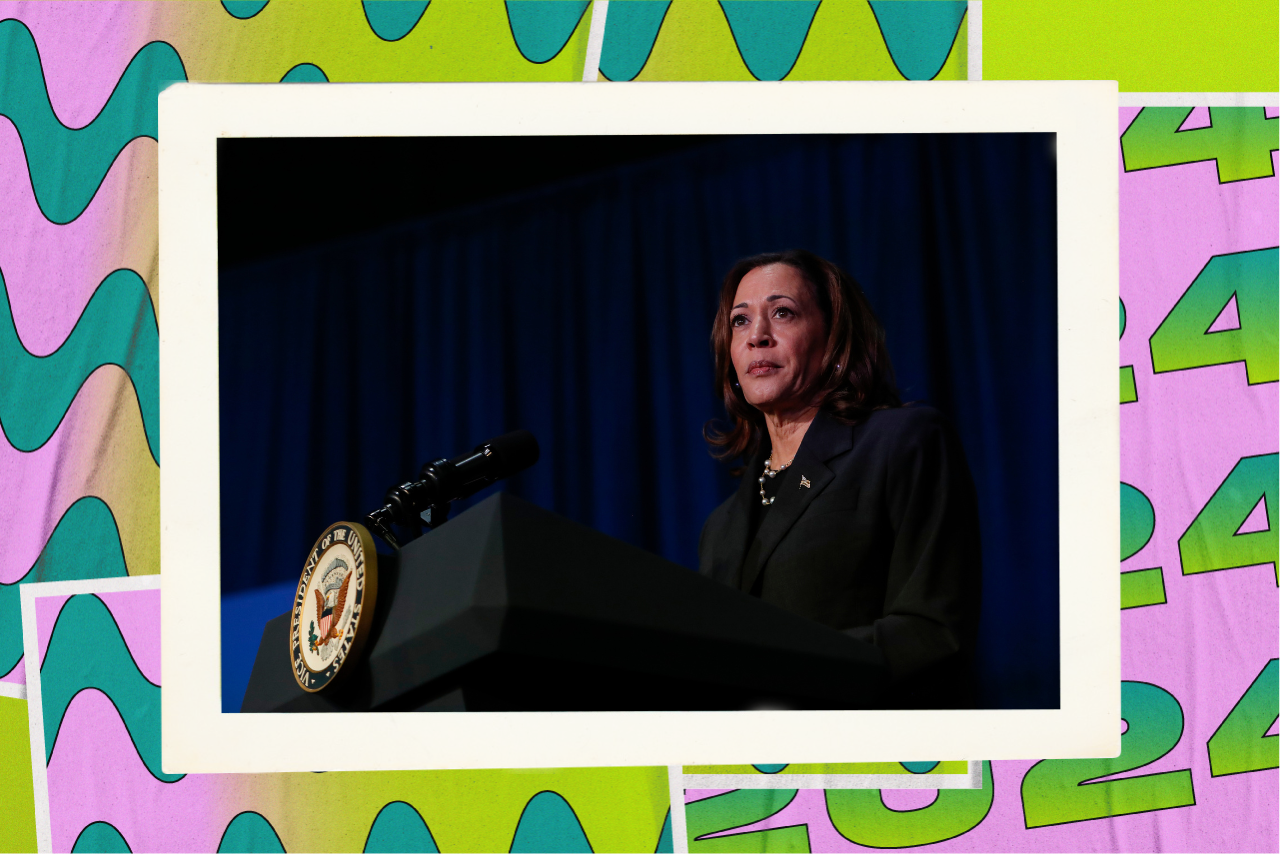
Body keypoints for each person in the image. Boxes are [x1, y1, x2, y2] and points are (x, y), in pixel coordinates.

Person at [699, 249, 982, 708]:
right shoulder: (721, 528)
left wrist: (780, 676)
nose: (758, 337)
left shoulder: (901, 443)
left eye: (783, 313)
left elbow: (933, 632)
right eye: (740, 322)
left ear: (833, 339)